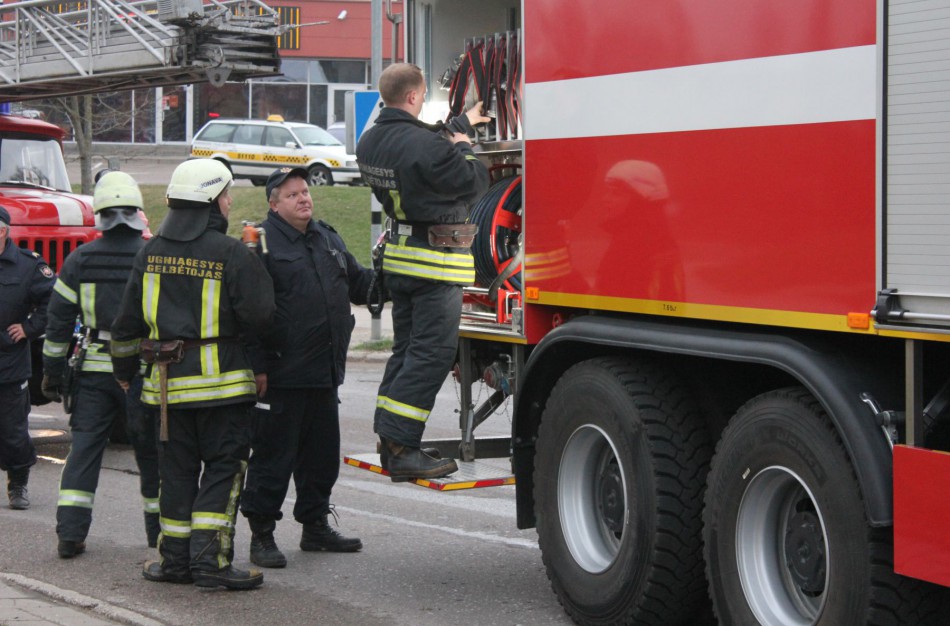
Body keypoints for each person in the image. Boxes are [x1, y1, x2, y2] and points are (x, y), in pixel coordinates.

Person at [110, 158, 275, 590]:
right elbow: (261, 317)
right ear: (210, 203)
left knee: (177, 475)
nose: (229, 203)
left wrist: (126, 371)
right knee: (223, 469)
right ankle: (210, 562)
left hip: (165, 392)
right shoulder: (233, 254)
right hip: (222, 390)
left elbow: (126, 325)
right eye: (225, 197)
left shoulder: (149, 252)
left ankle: (175, 563)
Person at [355, 63, 490, 480]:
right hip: (436, 265)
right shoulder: (426, 147)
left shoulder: (371, 141)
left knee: (407, 352)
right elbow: (474, 181)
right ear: (415, 96)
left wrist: (460, 122)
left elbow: (421, 148)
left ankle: (390, 439)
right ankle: (402, 447)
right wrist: (466, 143)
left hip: (402, 261)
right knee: (431, 355)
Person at [241, 166, 375, 568]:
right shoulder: (258, 246)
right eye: (292, 194)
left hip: (323, 373)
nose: (304, 198)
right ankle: (261, 535)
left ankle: (314, 526)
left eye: (305, 191)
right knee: (272, 459)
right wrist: (258, 367)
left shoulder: (326, 237)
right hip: (281, 376)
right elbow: (247, 313)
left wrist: (392, 275)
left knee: (320, 458)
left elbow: (359, 283)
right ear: (273, 203)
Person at [41, 171, 160, 558]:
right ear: (137, 210)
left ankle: (70, 535)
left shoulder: (80, 260)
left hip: (93, 373)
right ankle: (159, 537)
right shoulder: (154, 255)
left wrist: (52, 375)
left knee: (85, 451)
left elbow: (57, 325)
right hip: (143, 372)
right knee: (151, 455)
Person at [0, 205, 55, 510]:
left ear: (2, 231)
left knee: (12, 433)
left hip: (8, 361)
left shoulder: (27, 265)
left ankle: (18, 484)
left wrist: (30, 328)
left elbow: (54, 300)